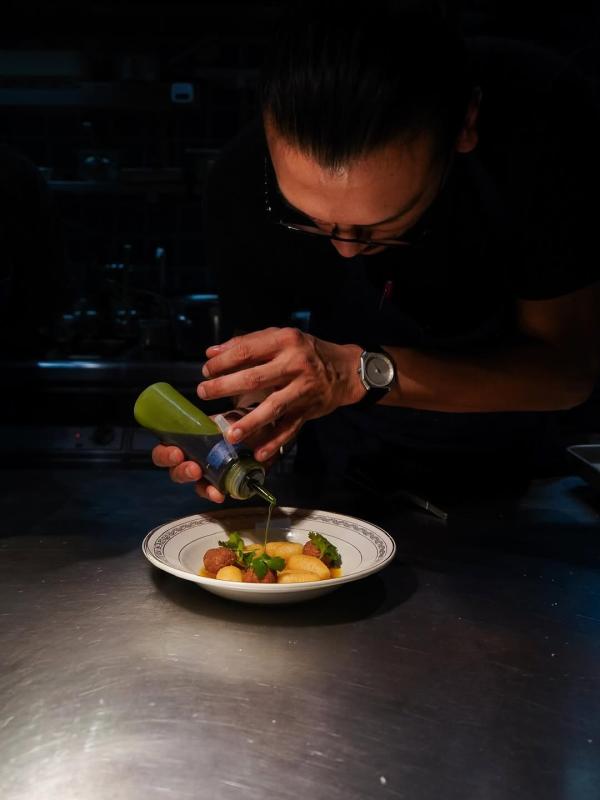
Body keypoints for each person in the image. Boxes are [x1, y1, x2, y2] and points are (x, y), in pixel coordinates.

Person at [153, 2, 600, 506]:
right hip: (344, 463)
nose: (346, 249)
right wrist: (242, 429)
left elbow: (568, 372)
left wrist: (357, 372)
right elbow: (258, 368)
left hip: (523, 469)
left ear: (465, 126)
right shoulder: (239, 182)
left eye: (382, 225)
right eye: (309, 219)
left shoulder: (542, 123)